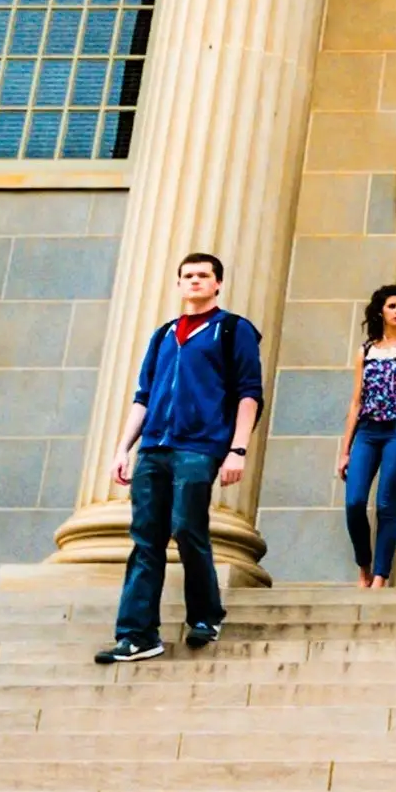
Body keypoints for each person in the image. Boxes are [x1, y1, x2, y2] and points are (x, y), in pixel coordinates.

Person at [97, 249, 261, 666]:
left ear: (217, 283)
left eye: (203, 276)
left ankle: (205, 615)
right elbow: (143, 397)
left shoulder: (232, 330)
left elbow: (248, 394)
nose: (194, 282)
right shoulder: (164, 334)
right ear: (178, 283)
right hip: (154, 446)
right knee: (145, 540)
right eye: (187, 276)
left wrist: (237, 449)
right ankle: (136, 635)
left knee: (188, 529)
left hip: (200, 446)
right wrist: (123, 447)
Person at [337, 283, 396, 589]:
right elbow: (356, 402)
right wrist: (345, 450)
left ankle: (380, 576)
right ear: (380, 310)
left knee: (386, 503)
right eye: (393, 306)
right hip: (367, 430)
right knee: (354, 502)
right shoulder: (365, 351)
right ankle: (363, 567)